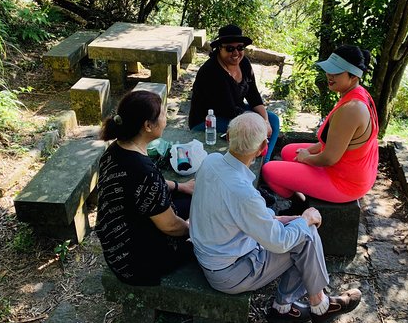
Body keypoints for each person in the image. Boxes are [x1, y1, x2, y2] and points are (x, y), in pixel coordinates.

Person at [189, 112, 362, 323]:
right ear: (263, 147)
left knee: (300, 227)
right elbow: (278, 242)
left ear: (228, 136)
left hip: (214, 254)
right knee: (305, 236)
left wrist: (294, 219)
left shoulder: (211, 161)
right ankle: (316, 306)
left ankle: (290, 307)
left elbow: (240, 214)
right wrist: (305, 219)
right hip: (230, 273)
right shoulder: (244, 193)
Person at [96, 90, 195, 286]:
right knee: (210, 227)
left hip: (116, 247)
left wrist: (180, 187)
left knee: (194, 200)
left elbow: (144, 188)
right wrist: (193, 229)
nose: (166, 119)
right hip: (137, 263)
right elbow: (171, 226)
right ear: (148, 126)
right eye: (163, 115)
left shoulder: (116, 149)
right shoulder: (143, 171)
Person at [261, 45, 379, 204]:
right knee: (289, 151)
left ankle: (300, 206)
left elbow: (329, 158)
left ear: (354, 76)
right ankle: (304, 195)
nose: (329, 75)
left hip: (345, 183)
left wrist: (306, 158)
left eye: (336, 72)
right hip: (353, 170)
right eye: (329, 70)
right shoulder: (357, 94)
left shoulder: (351, 109)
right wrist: (308, 152)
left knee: (269, 171)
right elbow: (333, 143)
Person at [188, 24, 280, 162]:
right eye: (230, 49)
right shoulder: (211, 72)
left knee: (273, 120)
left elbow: (254, 97)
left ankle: (264, 161)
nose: (236, 53)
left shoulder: (244, 64)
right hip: (209, 120)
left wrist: (265, 121)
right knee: (252, 129)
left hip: (235, 112)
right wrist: (259, 123)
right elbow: (229, 109)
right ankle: (249, 161)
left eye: (240, 47)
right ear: (220, 49)